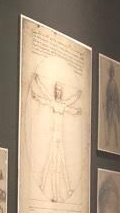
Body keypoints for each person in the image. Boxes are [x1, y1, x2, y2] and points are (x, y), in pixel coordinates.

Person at [31, 75, 82, 203]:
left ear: (61, 93)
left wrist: (77, 103)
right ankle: (44, 185)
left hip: (60, 138)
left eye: (59, 91)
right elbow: (45, 97)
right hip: (55, 137)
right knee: (50, 162)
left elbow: (70, 104)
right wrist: (37, 84)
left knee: (62, 164)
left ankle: (68, 189)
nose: (57, 93)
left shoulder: (63, 105)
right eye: (56, 91)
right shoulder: (53, 102)